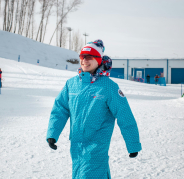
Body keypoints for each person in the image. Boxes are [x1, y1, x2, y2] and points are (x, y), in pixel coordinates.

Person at [46, 40, 142, 179]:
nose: (85, 60)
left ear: (98, 60)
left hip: (96, 148)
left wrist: (133, 144)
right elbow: (60, 109)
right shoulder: (71, 84)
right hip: (76, 147)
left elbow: (124, 115)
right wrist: (52, 133)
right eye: (82, 56)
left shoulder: (108, 87)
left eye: (89, 57)